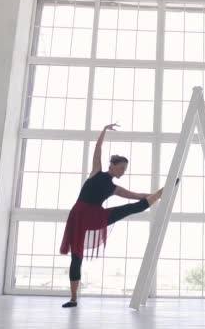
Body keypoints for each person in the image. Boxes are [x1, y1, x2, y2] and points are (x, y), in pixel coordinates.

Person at [59, 123, 178, 308]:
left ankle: (161, 193)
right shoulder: (97, 171)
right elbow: (98, 149)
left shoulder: (115, 188)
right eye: (121, 168)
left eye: (125, 169)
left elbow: (136, 195)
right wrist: (104, 130)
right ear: (112, 166)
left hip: (95, 216)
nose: (123, 171)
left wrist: (156, 193)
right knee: (76, 257)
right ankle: (73, 298)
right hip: (79, 216)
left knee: (130, 208)